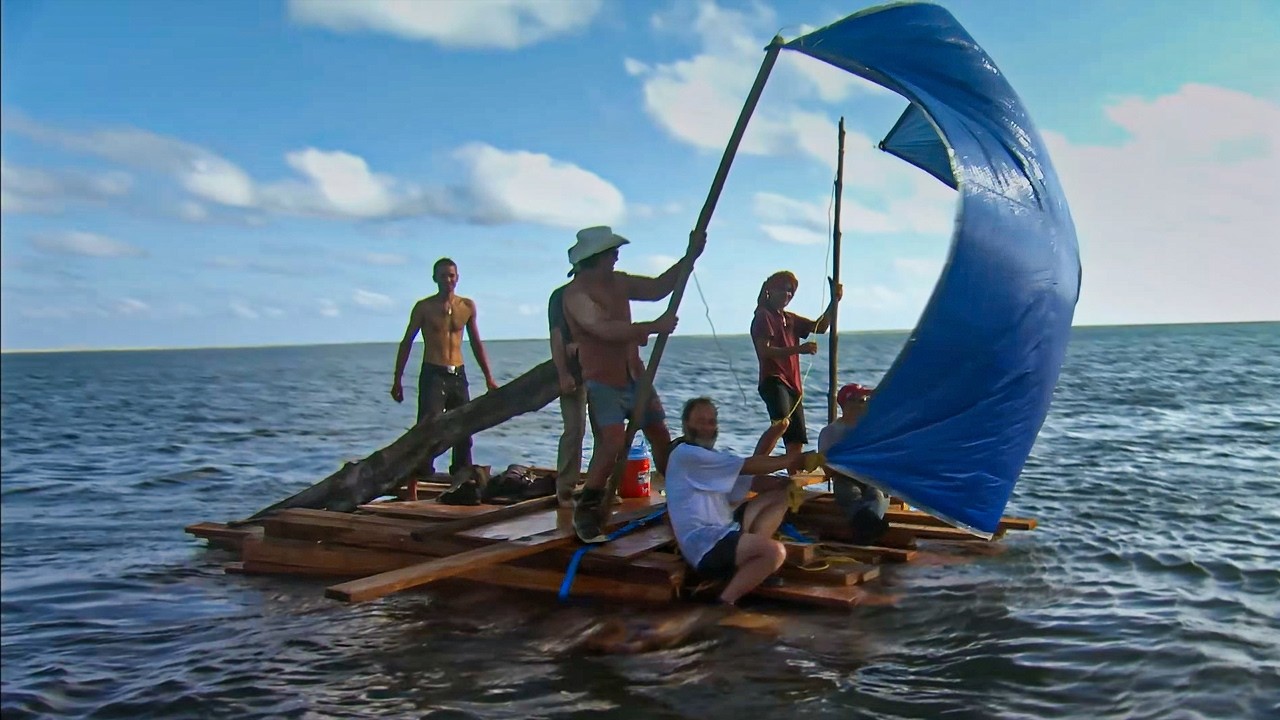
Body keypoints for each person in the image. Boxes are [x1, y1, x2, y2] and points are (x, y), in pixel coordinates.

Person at [562, 225, 706, 542]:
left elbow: (657, 288)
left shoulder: (619, 281)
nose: (616, 257)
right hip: (603, 381)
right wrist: (653, 326)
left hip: (634, 375)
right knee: (612, 443)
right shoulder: (574, 294)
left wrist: (690, 256)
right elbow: (601, 328)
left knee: (660, 433)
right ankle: (587, 510)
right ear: (595, 257)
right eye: (611, 252)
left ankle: (681, 496)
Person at [665, 396, 814, 605]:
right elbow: (748, 465)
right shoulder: (686, 455)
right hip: (705, 545)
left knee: (781, 497)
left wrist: (785, 484)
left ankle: (749, 561)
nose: (707, 427)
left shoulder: (712, 457)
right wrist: (792, 459)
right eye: (700, 421)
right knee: (775, 553)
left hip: (726, 529)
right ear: (686, 424)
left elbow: (750, 481)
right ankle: (725, 601)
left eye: (711, 421)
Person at [390, 257, 499, 481]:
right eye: (442, 276)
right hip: (433, 373)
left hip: (458, 374)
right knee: (428, 428)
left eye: (451, 275)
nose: (447, 280)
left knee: (464, 427)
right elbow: (407, 341)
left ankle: (462, 476)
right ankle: (421, 475)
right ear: (434, 279)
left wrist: (489, 378)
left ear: (457, 278)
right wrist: (397, 379)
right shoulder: (424, 307)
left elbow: (476, 342)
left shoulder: (466, 306)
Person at [750, 271, 840, 458]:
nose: (787, 294)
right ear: (770, 291)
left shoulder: (790, 319)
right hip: (774, 380)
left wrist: (834, 301)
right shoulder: (763, 316)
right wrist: (799, 350)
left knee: (796, 440)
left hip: (794, 385)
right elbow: (764, 351)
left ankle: (793, 481)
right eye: (782, 289)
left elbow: (821, 327)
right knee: (781, 424)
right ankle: (755, 468)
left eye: (790, 291)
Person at [817, 383, 890, 544]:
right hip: (844, 477)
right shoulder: (830, 431)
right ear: (849, 404)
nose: (867, 404)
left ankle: (865, 528)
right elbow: (826, 467)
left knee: (877, 495)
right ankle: (870, 527)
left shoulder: (871, 429)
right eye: (863, 400)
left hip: (869, 476)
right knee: (849, 493)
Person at [548, 275, 586, 508]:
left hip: (602, 367)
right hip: (574, 370)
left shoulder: (604, 291)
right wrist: (563, 372)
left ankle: (599, 486)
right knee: (574, 428)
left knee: (608, 430)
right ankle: (565, 489)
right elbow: (557, 335)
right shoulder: (561, 296)